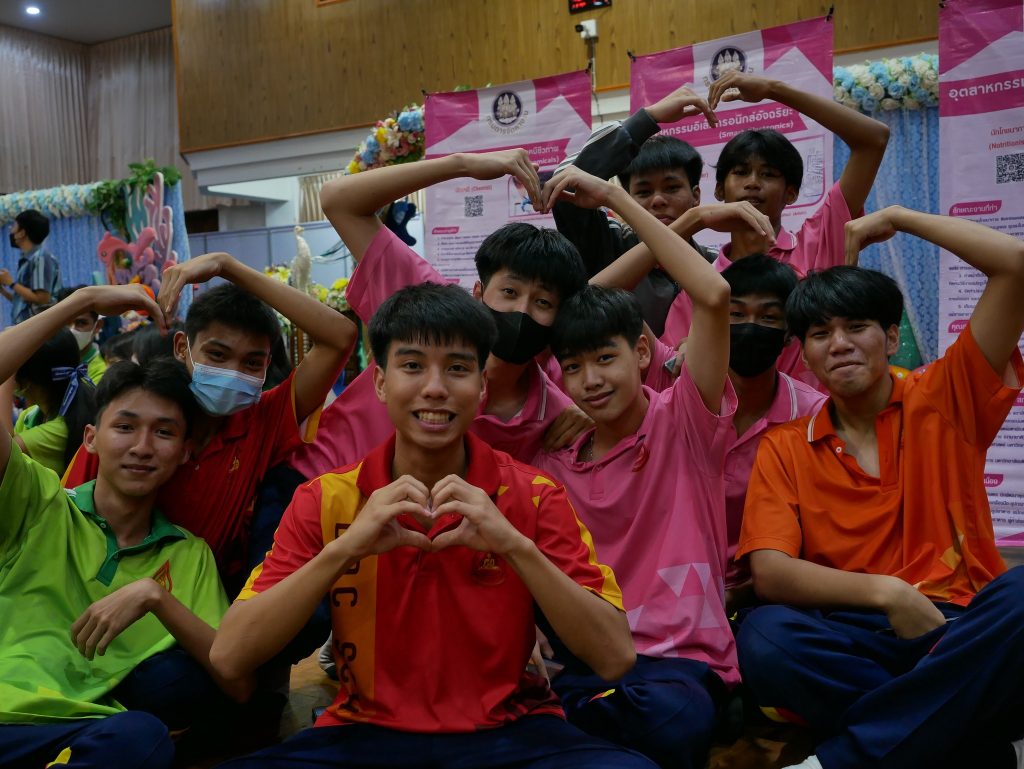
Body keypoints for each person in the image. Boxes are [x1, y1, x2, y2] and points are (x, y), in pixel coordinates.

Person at [208, 282, 654, 769]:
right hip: (365, 734)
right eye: (413, 365)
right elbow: (230, 656)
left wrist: (515, 546)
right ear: (381, 383)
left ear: (482, 387)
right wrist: (345, 549)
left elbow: (615, 657)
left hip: (511, 732)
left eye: (458, 368)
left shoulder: (536, 495)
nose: (436, 387)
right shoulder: (324, 499)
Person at [735, 206, 1024, 769]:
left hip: (956, 625)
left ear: (891, 338)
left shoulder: (946, 398)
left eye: (857, 327)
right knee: (766, 636)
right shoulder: (785, 445)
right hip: (852, 633)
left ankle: (845, 757)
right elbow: (770, 573)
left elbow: (1014, 264)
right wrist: (889, 594)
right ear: (805, 354)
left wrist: (899, 217)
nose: (839, 344)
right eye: (820, 334)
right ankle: (955, 731)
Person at [531, 167, 736, 769]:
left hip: (678, 667)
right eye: (572, 367)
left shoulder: (685, 422)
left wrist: (616, 198)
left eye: (605, 358)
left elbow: (713, 295)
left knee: (672, 722)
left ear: (642, 351)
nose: (589, 381)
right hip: (586, 661)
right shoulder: (553, 461)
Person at [0, 284, 252, 769]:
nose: (142, 446)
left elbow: (237, 682)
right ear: (90, 438)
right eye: (124, 427)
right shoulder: (38, 502)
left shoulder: (187, 554)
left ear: (184, 453)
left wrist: (154, 597)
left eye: (164, 432)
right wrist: (82, 302)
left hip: (78, 734)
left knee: (142, 738)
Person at [292, 148, 593, 481]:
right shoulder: (429, 303)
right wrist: (462, 164)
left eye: (543, 303)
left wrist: (595, 420)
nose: (522, 311)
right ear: (478, 293)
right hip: (314, 487)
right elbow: (338, 200)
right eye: (509, 292)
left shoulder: (556, 407)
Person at [63, 252, 358, 588]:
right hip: (98, 590)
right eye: (217, 355)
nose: (232, 373)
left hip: (202, 601)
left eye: (252, 363)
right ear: (181, 347)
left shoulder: (263, 421)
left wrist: (227, 266)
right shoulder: (132, 428)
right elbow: (66, 520)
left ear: (267, 365)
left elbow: (340, 336)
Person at [651, 72, 890, 385]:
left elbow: (873, 140)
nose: (753, 182)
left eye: (768, 174)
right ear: (720, 190)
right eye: (741, 172)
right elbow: (668, 372)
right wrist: (684, 352)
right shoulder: (699, 284)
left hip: (815, 415)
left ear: (790, 193)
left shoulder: (819, 243)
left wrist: (773, 88)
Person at [551, 84, 719, 335]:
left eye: (672, 188)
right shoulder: (609, 244)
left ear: (696, 196)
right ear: (625, 199)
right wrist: (648, 118)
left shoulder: (715, 263)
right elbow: (564, 184)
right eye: (643, 192)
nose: (658, 200)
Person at [2, 327, 95, 477]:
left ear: (26, 382)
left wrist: (6, 369)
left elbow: (4, 454)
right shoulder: (29, 416)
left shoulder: (60, 430)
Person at [0, 209, 63, 325]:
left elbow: (42, 299)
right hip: (26, 327)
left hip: (39, 329)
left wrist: (11, 283)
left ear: (22, 233)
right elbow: (22, 303)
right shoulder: (27, 260)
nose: (11, 230)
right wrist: (3, 290)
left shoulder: (41, 258)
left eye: (14, 226)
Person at [57, 285, 109, 383]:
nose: (71, 330)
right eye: (65, 322)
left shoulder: (102, 375)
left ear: (97, 326)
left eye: (81, 323)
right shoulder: (49, 359)